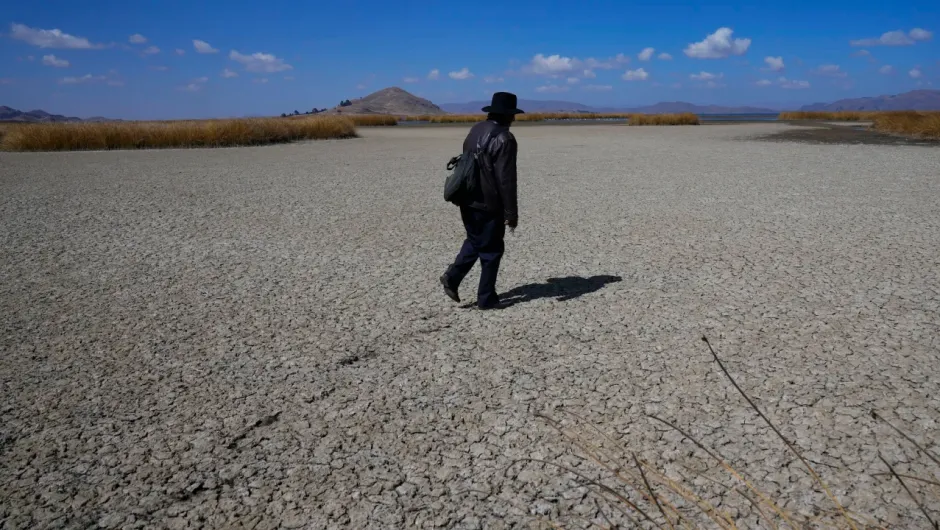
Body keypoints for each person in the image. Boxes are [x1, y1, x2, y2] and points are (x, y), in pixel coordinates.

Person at [440, 92, 522, 309]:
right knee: (492, 250)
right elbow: (506, 180)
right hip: (488, 203)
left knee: (476, 239)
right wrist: (511, 213)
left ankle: (453, 277)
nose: (513, 120)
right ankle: (486, 299)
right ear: (508, 116)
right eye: (513, 115)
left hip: (466, 197)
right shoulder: (505, 138)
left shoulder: (476, 129)